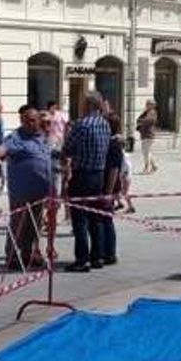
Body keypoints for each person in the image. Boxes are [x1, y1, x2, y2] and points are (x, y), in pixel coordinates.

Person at [0, 105, 51, 269]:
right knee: (18, 224)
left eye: (32, 120)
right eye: (25, 120)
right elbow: (4, 147)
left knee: (34, 225)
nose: (29, 123)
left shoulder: (43, 136)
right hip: (21, 191)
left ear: (38, 121)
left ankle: (29, 255)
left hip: (39, 189)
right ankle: (11, 257)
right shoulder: (16, 136)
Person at [61, 91, 111, 272]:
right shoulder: (105, 124)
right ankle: (97, 256)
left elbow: (67, 149)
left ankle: (82, 259)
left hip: (82, 174)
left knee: (79, 218)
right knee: (95, 217)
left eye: (83, 104)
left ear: (89, 105)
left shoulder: (82, 125)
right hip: (98, 174)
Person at [99, 113, 125, 266]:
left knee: (106, 220)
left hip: (109, 185)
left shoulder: (113, 145)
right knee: (104, 219)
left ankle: (109, 253)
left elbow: (114, 169)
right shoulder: (112, 142)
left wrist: (108, 192)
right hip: (110, 184)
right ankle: (105, 251)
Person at [135, 100, 159, 174]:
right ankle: (154, 166)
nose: (147, 105)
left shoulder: (153, 112)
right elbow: (138, 119)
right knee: (146, 151)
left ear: (153, 105)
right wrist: (141, 120)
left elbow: (149, 121)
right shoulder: (145, 112)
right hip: (144, 134)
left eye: (149, 104)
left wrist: (142, 121)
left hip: (149, 134)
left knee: (146, 151)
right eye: (147, 104)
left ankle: (147, 168)